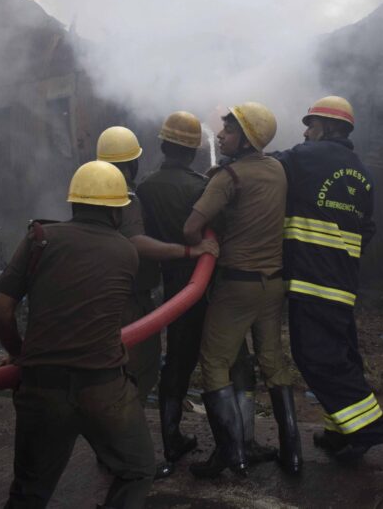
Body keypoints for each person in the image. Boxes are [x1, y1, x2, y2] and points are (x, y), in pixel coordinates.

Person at [0, 160, 154, 509]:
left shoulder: (40, 240)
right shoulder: (126, 252)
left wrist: (19, 352)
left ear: (73, 203)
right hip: (104, 388)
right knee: (137, 469)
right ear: (116, 213)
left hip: (42, 387)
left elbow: (1, 309)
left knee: (28, 492)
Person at [135, 112, 274, 472]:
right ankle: (240, 440)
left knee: (177, 365)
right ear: (195, 151)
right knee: (234, 362)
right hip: (212, 287)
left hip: (175, 288)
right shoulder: (202, 187)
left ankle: (171, 441)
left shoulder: (146, 188)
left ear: (163, 145)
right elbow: (222, 232)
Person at [183, 102, 302, 478]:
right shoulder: (278, 170)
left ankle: (230, 453)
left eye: (229, 130)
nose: (220, 135)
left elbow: (190, 228)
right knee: (273, 362)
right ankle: (292, 453)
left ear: (247, 139)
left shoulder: (227, 178)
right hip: (273, 285)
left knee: (215, 362)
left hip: (236, 285)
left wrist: (206, 241)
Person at [275, 96, 383, 462]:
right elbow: (367, 228)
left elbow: (265, 167)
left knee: (315, 356)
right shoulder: (362, 172)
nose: (306, 132)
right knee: (340, 353)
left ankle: (368, 428)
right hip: (341, 280)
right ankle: (338, 432)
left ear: (327, 127)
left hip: (311, 279)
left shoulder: (304, 157)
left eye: (311, 125)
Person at [96, 126, 218, 408]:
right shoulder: (129, 198)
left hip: (100, 295)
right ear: (131, 163)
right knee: (141, 370)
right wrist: (190, 250)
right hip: (131, 299)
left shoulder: (91, 193)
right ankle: (123, 435)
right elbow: (137, 242)